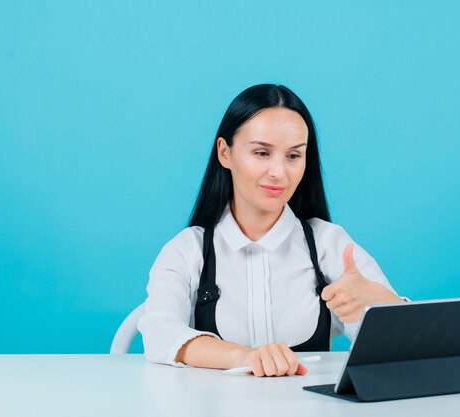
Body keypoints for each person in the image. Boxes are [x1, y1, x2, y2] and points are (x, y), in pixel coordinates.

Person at [137, 84, 404, 377]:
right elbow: (160, 332)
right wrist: (246, 356)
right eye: (262, 152)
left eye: (293, 156)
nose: (279, 172)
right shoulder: (187, 250)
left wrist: (381, 304)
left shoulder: (329, 243)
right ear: (225, 153)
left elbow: (404, 349)